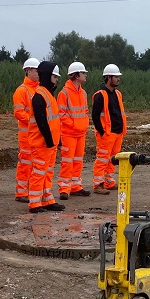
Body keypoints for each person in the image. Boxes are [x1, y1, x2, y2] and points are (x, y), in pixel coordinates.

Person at [27, 62, 65, 213]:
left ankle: (47, 200)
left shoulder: (48, 94)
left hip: (49, 143)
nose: (56, 79)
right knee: (39, 172)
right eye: (54, 76)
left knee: (47, 172)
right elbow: (41, 121)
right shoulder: (39, 96)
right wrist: (50, 140)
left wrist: (57, 139)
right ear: (47, 76)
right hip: (41, 143)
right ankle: (35, 203)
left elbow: (53, 121)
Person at [57, 62, 91, 199]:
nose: (85, 75)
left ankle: (76, 186)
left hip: (80, 133)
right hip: (69, 133)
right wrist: (74, 124)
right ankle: (64, 188)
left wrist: (83, 124)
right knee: (67, 162)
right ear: (76, 75)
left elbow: (85, 111)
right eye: (83, 73)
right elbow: (61, 114)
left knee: (78, 161)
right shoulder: (64, 93)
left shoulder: (83, 92)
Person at [91, 64, 127, 194]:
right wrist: (102, 132)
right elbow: (95, 116)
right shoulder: (100, 95)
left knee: (112, 159)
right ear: (108, 77)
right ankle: (98, 184)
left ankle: (108, 181)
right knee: (102, 159)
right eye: (116, 76)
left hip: (117, 132)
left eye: (118, 76)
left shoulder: (117, 94)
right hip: (107, 133)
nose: (118, 79)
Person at [13, 58, 40, 202]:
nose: (38, 73)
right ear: (28, 71)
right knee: (25, 163)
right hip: (26, 134)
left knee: (35, 163)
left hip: (36, 134)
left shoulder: (39, 89)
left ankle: (30, 190)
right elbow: (19, 112)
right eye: (36, 71)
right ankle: (21, 192)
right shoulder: (22, 90)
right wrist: (34, 122)